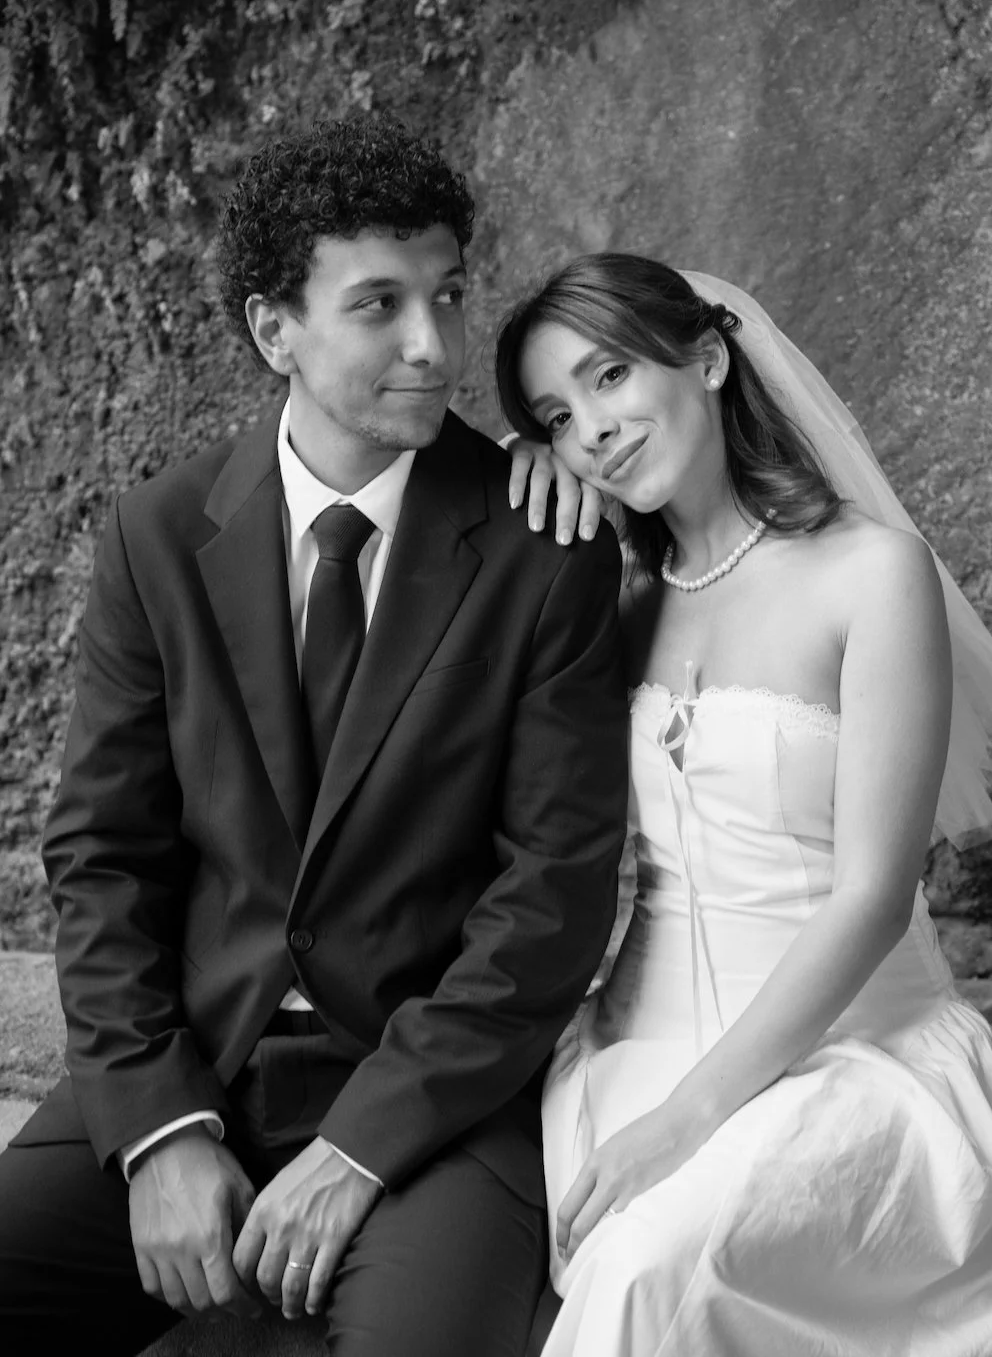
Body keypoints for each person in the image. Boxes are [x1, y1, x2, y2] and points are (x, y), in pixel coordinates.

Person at [0, 117, 630, 1357]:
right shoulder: (156, 535)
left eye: (447, 295)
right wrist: (162, 1133)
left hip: (432, 1098)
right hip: (198, 1058)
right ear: (270, 330)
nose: (433, 345)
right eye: (378, 304)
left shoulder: (542, 547)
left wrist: (361, 1145)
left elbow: (550, 900)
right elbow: (103, 853)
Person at [495, 253, 992, 1356]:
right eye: (556, 416)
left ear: (709, 357)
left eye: (611, 376)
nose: (594, 429)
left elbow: (869, 897)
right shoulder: (611, 603)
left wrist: (682, 1121)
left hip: (858, 1053)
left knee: (642, 1271)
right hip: (630, 1053)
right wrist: (500, 478)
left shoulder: (870, 574)